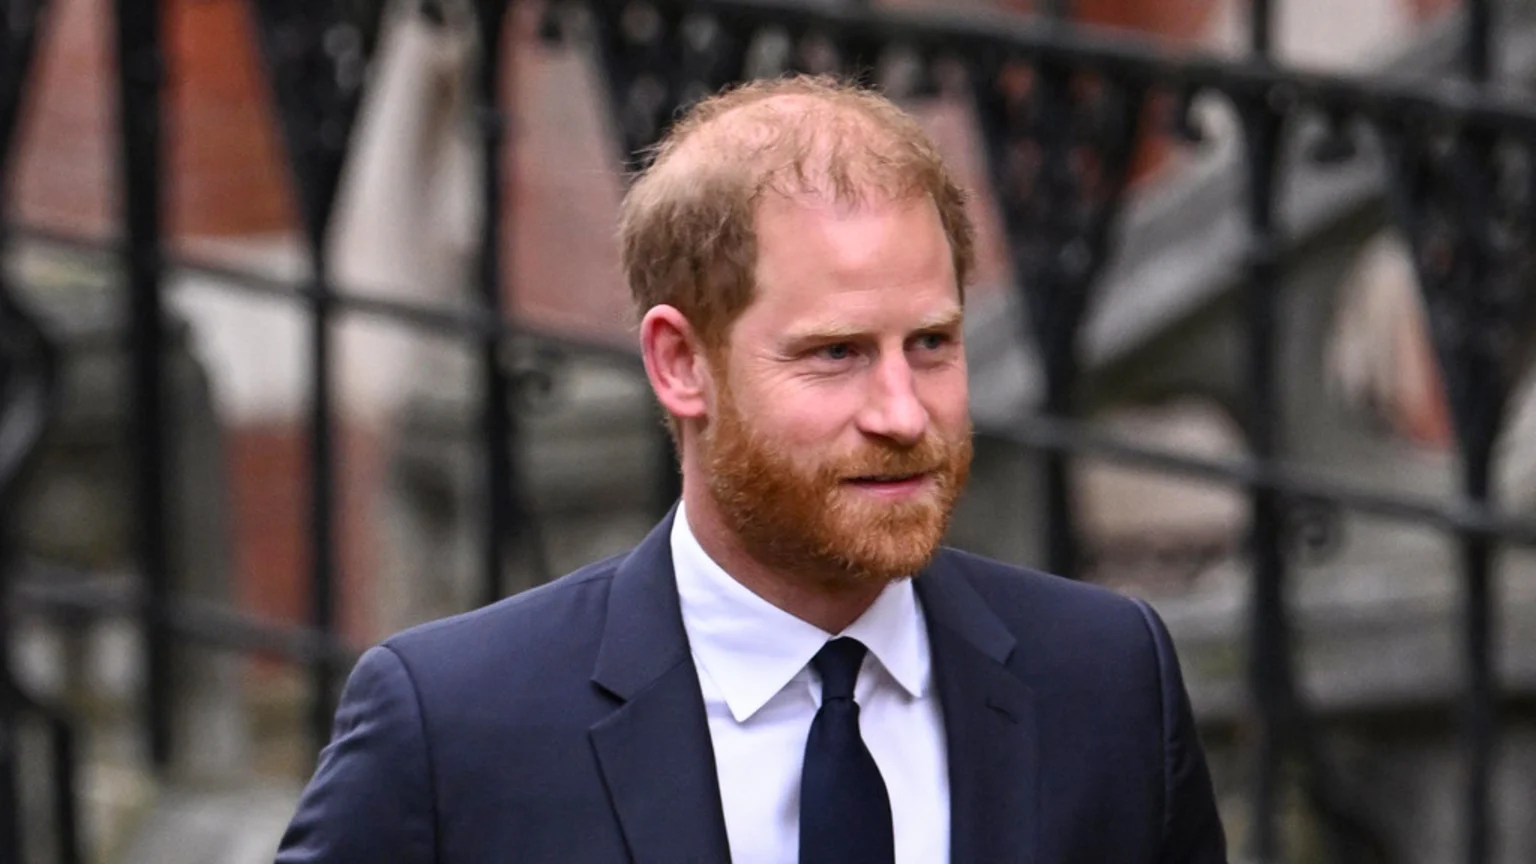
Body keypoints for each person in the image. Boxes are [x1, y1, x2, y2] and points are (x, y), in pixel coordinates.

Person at [275, 74, 1227, 864]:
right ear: (681, 363)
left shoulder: (1107, 683)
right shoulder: (454, 725)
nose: (903, 413)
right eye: (835, 354)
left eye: (932, 343)